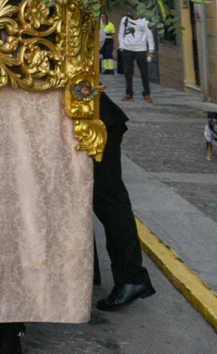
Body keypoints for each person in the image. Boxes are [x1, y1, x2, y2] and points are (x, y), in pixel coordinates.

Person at [92, 93, 156, 311]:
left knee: (109, 201)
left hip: (95, 125)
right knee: (107, 200)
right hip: (97, 121)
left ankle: (132, 278)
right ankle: (128, 276)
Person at [117, 14, 156, 102]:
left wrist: (151, 51)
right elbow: (121, 33)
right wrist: (122, 47)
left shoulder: (144, 21)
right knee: (128, 73)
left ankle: (147, 93)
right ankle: (129, 93)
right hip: (128, 49)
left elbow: (149, 35)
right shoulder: (125, 19)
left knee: (144, 73)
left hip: (141, 50)